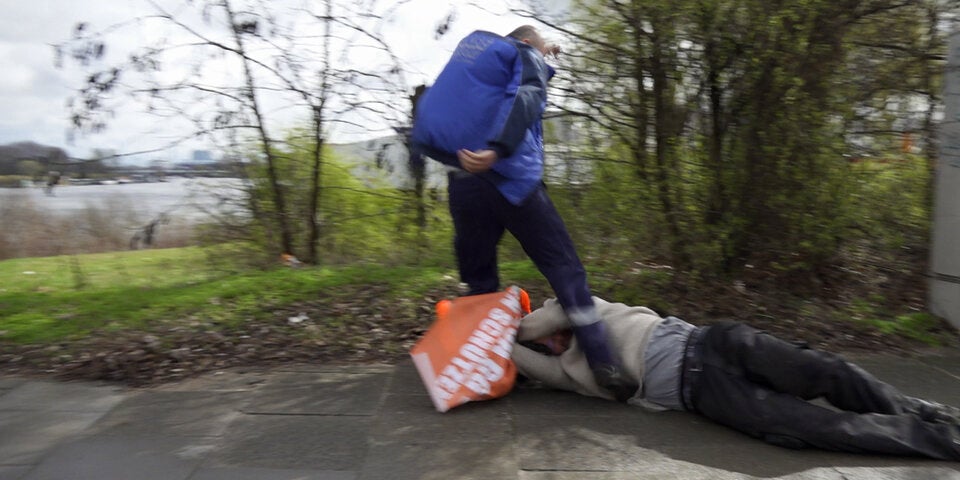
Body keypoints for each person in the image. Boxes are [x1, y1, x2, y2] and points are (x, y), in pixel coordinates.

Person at [411, 25, 631, 395]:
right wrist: (498, 149)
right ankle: (602, 362)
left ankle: (480, 368)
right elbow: (529, 94)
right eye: (542, 51)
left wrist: (460, 159)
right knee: (565, 270)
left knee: (480, 282)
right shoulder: (522, 51)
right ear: (529, 43)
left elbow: (432, 122)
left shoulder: (474, 59)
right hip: (512, 182)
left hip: (463, 185)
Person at [513, 297, 960, 461]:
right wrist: (502, 347)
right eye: (542, 350)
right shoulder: (568, 373)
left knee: (828, 370)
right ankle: (944, 442)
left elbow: (539, 322)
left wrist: (508, 323)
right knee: (809, 427)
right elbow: (526, 358)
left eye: (546, 339)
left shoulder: (579, 305)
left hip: (716, 343)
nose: (549, 346)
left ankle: (927, 412)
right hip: (707, 393)